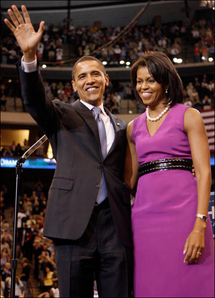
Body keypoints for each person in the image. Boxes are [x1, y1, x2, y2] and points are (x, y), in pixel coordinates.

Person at [4, 5, 133, 298]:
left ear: (106, 79)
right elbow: (35, 101)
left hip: (115, 226)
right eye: (83, 76)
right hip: (74, 226)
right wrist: (28, 56)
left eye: (96, 74)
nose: (90, 80)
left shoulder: (122, 125)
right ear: (74, 85)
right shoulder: (61, 114)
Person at [124, 51, 214, 297]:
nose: (143, 86)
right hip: (143, 220)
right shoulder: (132, 128)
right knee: (150, 285)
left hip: (185, 215)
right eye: (139, 81)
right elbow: (127, 182)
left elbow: (205, 173)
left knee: (191, 282)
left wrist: (199, 224)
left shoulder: (189, 115)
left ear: (165, 83)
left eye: (150, 80)